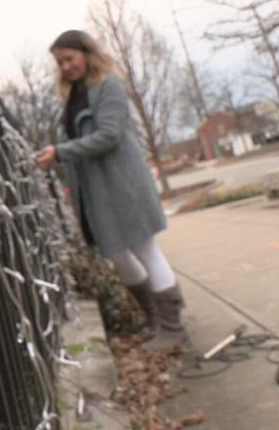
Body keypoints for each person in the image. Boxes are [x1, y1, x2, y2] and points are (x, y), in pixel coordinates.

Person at [36, 29, 189, 350]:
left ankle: (173, 329)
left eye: (69, 59)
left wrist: (61, 152)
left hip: (123, 184)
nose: (65, 67)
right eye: (60, 62)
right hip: (98, 191)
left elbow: (109, 135)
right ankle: (154, 321)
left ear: (86, 54)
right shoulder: (74, 94)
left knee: (146, 250)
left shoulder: (108, 86)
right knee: (118, 254)